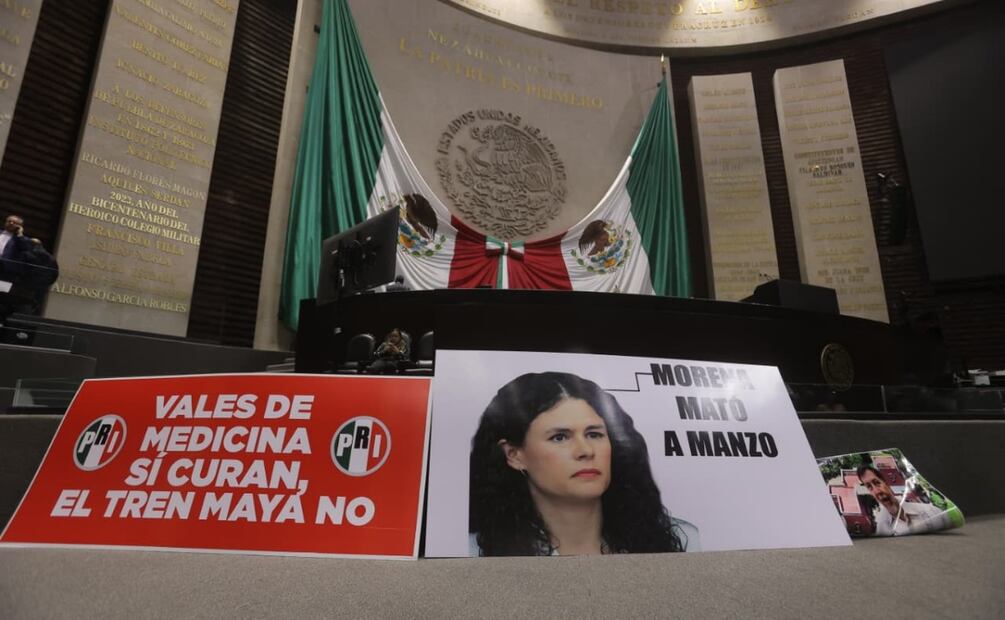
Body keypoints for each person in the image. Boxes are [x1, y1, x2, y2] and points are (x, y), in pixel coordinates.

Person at [469, 372, 699, 556]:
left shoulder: (685, 542)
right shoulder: (473, 553)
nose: (586, 451)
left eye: (594, 434)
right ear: (514, 455)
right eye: (559, 437)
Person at [856, 464, 951, 536]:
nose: (877, 491)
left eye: (877, 483)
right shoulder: (882, 529)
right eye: (869, 487)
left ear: (886, 483)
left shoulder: (932, 511)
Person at [0, 214, 33, 283]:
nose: (11, 223)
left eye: (15, 223)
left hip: (5, 272)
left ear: (20, 226)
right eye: (9, 221)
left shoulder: (21, 239)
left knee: (2, 291)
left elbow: (26, 248)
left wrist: (20, 234)